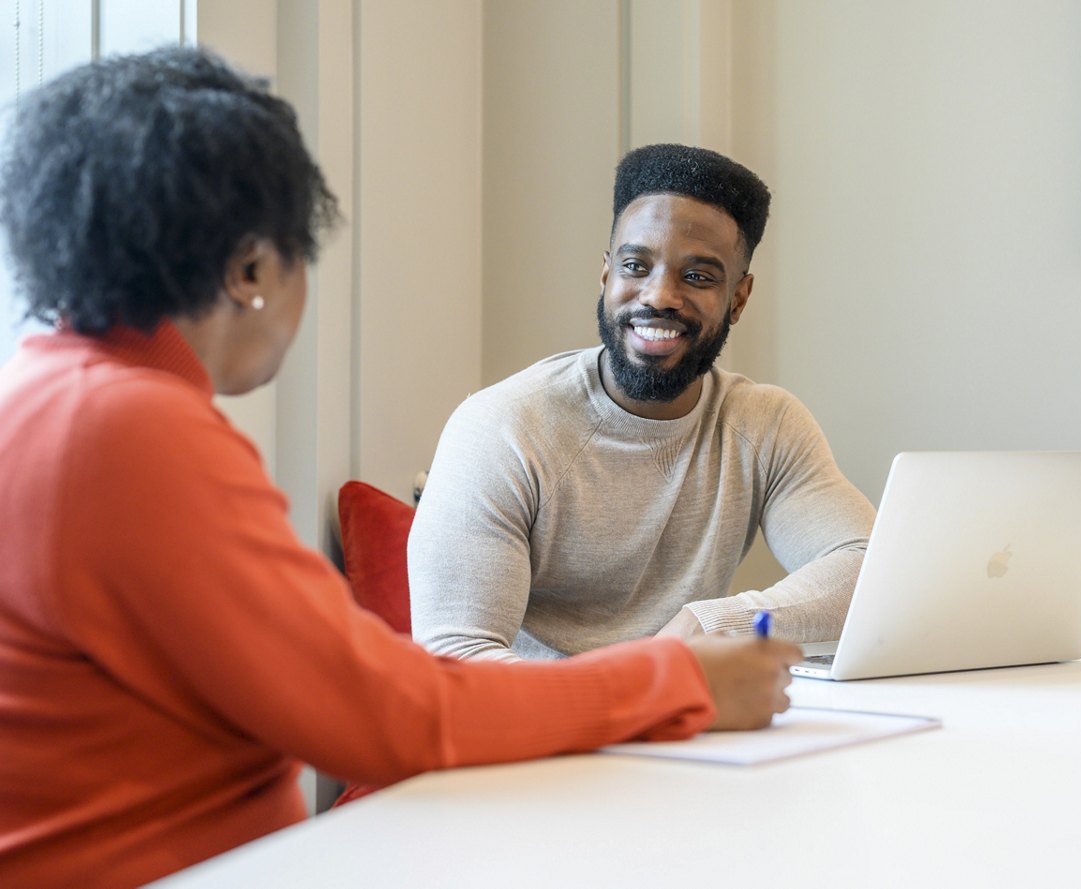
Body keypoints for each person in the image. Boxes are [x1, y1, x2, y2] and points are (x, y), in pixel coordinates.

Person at [0, 49, 800, 889]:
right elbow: (388, 714)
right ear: (250, 270)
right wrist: (674, 679)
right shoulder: (132, 431)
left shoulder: (58, 400)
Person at [411, 143, 875, 662]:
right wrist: (643, 686)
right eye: (637, 265)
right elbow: (455, 657)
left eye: (698, 276)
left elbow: (866, 563)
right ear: (606, 274)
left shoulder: (764, 426)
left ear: (738, 299)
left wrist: (714, 622)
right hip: (541, 730)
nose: (659, 296)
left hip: (690, 726)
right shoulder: (502, 428)